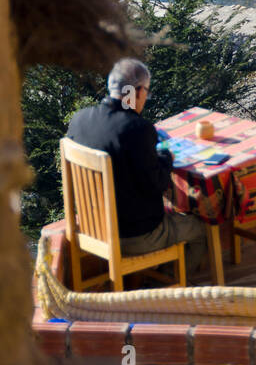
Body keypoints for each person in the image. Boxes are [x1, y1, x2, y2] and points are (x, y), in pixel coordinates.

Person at [66, 58, 209, 277]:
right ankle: (166, 289)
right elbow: (159, 184)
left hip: (90, 230)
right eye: (147, 93)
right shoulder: (138, 129)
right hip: (136, 237)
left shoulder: (79, 120)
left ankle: (153, 281)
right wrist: (165, 156)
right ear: (138, 91)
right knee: (200, 229)